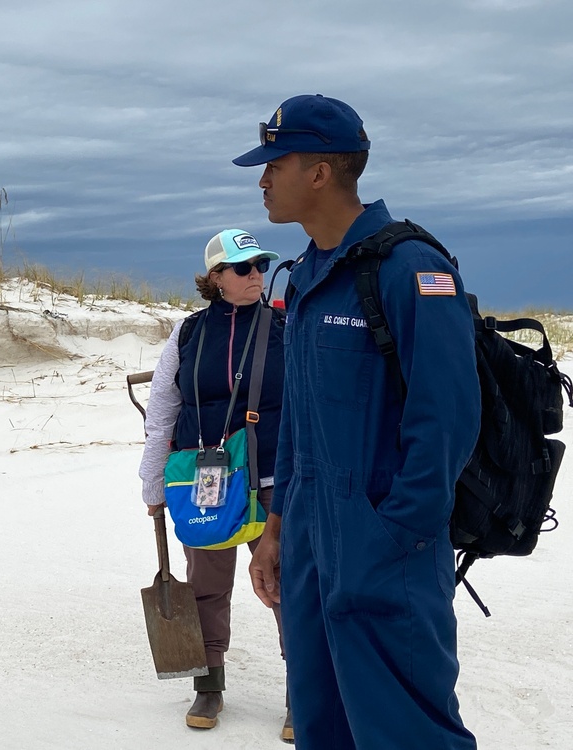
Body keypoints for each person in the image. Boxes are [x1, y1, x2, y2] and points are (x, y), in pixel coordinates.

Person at [235, 95, 480, 749]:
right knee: (323, 727)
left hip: (386, 552)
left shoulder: (411, 269)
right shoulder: (310, 276)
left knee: (407, 734)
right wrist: (277, 530)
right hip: (312, 550)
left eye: (275, 163)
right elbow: (299, 426)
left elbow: (447, 422)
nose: (262, 179)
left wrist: (393, 538)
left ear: (319, 171)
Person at [139, 229, 293, 741]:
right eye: (243, 267)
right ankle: (209, 681)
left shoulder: (287, 327)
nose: (256, 275)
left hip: (271, 476)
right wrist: (152, 481)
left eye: (260, 266)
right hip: (204, 478)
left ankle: (304, 688)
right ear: (215, 278)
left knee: (285, 583)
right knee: (206, 583)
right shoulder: (187, 333)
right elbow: (162, 409)